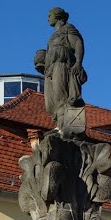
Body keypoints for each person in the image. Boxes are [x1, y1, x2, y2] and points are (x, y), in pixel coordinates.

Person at [34, 7, 87, 135]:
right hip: (50, 68)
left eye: (49, 15)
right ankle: (59, 126)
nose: (48, 18)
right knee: (50, 103)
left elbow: (78, 44)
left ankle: (66, 128)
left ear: (57, 16)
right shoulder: (52, 36)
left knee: (61, 96)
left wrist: (78, 63)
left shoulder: (68, 28)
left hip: (62, 63)